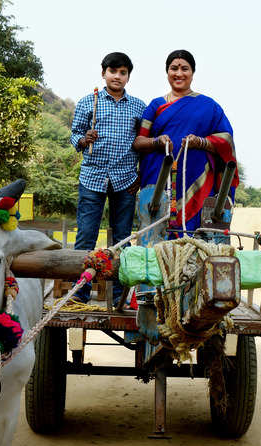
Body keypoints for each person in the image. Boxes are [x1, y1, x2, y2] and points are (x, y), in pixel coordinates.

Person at [133, 49, 238, 236]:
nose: (179, 73)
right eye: (174, 68)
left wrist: (202, 142)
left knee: (195, 236)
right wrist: (157, 141)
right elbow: (139, 142)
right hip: (158, 180)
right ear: (167, 72)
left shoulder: (209, 106)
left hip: (196, 180)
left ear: (192, 73)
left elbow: (226, 141)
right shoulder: (155, 105)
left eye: (185, 69)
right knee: (157, 237)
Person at [70, 52, 146, 306]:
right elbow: (74, 136)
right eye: (113, 71)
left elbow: (143, 144)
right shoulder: (86, 102)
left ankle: (119, 295)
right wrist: (83, 140)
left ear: (128, 77)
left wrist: (141, 174)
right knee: (86, 237)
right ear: (103, 73)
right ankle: (80, 293)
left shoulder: (138, 106)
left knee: (122, 238)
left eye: (123, 72)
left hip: (125, 180)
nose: (117, 76)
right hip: (92, 178)